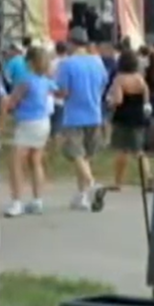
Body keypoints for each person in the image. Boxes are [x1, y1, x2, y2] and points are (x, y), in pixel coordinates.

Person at [57, 28, 109, 211]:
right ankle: (82, 196)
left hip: (74, 115)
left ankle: (93, 185)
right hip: (94, 113)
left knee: (76, 154)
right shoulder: (97, 62)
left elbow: (64, 91)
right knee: (87, 156)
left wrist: (54, 93)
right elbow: (104, 83)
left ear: (71, 42)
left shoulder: (67, 64)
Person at [2, 47, 55, 217]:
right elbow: (57, 90)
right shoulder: (45, 80)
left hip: (27, 123)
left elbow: (12, 102)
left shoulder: (26, 81)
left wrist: (7, 106)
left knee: (16, 163)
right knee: (35, 160)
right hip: (43, 121)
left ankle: (17, 202)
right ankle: (37, 200)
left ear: (30, 62)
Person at [107, 50, 152, 190]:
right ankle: (148, 178)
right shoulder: (140, 78)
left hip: (123, 117)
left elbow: (118, 100)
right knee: (139, 151)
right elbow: (146, 98)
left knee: (122, 150)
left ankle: (118, 182)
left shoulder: (119, 79)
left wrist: (110, 103)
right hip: (138, 116)